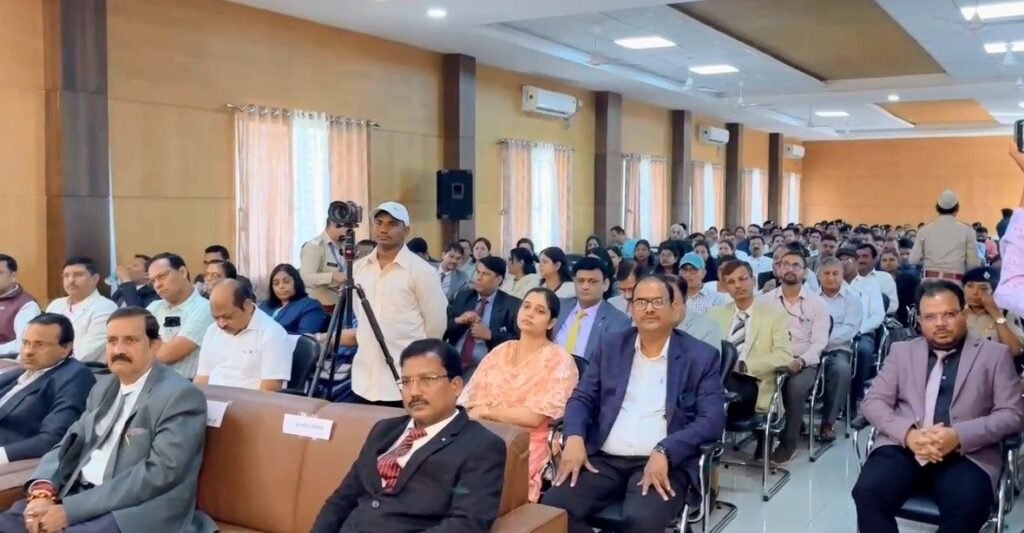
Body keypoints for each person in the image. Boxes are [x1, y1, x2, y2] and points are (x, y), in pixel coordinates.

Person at [0, 307, 215, 533]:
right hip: (78, 493)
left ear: (154, 345)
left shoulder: (180, 396)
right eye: (112, 341)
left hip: (135, 510)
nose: (118, 349)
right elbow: (68, 444)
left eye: (130, 340)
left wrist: (70, 511)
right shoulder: (103, 387)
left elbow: (159, 473)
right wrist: (42, 491)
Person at [541, 274, 726, 533]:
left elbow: (711, 420)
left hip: (663, 462)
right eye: (641, 302)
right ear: (631, 308)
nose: (648, 308)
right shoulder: (611, 346)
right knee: (552, 510)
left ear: (673, 308)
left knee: (641, 521)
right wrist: (574, 437)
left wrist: (666, 450)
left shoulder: (700, 356)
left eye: (657, 301)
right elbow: (582, 398)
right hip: (603, 459)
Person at [852, 281, 1024, 533]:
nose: (940, 323)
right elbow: (873, 401)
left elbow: (1012, 414)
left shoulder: (994, 355)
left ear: (964, 314)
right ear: (920, 321)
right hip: (904, 447)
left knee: (968, 507)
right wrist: (909, 435)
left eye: (949, 314)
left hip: (967, 453)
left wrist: (958, 435)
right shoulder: (902, 352)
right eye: (930, 317)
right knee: (868, 493)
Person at [311, 339, 507, 532]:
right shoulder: (384, 430)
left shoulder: (481, 446)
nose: (414, 392)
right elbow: (342, 499)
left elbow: (467, 524)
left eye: (427, 380)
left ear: (455, 385)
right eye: (406, 382)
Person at [459, 288, 579, 502]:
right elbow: (470, 404)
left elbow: (533, 417)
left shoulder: (559, 360)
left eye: (540, 311)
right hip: (485, 433)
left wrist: (487, 411)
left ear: (551, 323)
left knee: (485, 483)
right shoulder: (501, 350)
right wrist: (481, 413)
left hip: (527, 442)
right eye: (526, 306)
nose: (530, 313)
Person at [351, 202, 447, 405]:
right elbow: (360, 315)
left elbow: (435, 326)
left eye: (392, 224)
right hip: (363, 379)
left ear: (406, 230)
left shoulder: (422, 271)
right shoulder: (359, 268)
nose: (383, 229)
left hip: (403, 379)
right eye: (378, 223)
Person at [760, 250, 830, 464]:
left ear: (805, 272)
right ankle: (762, 438)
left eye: (796, 265)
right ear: (778, 269)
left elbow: (819, 343)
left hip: (803, 361)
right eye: (785, 264)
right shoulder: (764, 301)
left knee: (794, 388)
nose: (790, 269)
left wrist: (800, 361)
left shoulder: (817, 303)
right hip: (772, 359)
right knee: (754, 383)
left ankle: (788, 442)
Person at [708, 261, 791, 433]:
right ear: (726, 287)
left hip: (752, 382)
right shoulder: (715, 314)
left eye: (742, 279)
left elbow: (784, 355)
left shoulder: (775, 315)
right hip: (717, 380)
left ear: (753, 281)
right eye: (731, 282)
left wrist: (745, 365)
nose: (737, 285)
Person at [0, 314, 94, 465]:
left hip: (12, 457)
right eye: (26, 343)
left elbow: (52, 439)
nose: (28, 351)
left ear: (66, 348)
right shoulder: (19, 373)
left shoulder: (75, 376)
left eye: (40, 345)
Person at [195, 280, 292, 392]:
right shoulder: (212, 330)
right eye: (216, 318)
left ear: (247, 305)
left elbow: (269, 391)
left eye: (228, 317)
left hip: (251, 401)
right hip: (212, 399)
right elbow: (202, 379)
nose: (221, 324)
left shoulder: (272, 333)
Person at [443, 256, 520, 377]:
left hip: (487, 367)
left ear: (499, 279)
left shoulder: (512, 305)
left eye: (485, 274)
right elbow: (443, 327)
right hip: (454, 361)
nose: (478, 278)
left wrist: (490, 335)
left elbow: (519, 341)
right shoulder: (463, 297)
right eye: (478, 272)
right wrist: (459, 320)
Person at [816, 257, 864, 441]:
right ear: (819, 276)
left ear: (842, 275)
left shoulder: (853, 299)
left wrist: (821, 341)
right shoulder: (810, 297)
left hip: (837, 350)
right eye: (826, 273)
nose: (831, 278)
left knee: (841, 370)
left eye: (835, 273)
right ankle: (792, 421)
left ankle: (828, 422)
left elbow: (850, 329)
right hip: (810, 349)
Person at [144, 253, 213, 379]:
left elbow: (167, 355)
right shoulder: (154, 307)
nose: (157, 285)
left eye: (162, 276)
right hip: (149, 382)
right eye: (153, 281)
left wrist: (146, 346)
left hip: (185, 385)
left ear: (182, 272)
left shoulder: (205, 308)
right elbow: (131, 347)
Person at [553, 257, 630, 360]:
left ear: (605, 284)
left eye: (592, 281)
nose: (585, 287)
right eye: (580, 281)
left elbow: (612, 361)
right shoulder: (558, 306)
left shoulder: (617, 321)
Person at [45, 257, 117, 363]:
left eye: (78, 275)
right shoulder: (56, 305)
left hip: (83, 369)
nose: (71, 280)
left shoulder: (106, 307)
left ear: (95, 279)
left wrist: (47, 362)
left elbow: (87, 353)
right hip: (46, 365)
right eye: (66, 276)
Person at [909, 189, 980, 282]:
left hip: (929, 281)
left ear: (937, 208)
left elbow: (914, 260)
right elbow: (973, 264)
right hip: (955, 282)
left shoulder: (924, 230)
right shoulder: (967, 231)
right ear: (957, 208)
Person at [962, 267, 1024, 360]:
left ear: (995, 291)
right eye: (970, 286)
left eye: (983, 288)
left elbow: (1016, 350)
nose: (974, 292)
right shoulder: (957, 313)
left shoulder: (1006, 314)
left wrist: (995, 313)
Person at [258, 263, 329, 335]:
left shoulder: (310, 306)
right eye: (276, 283)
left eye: (286, 282)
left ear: (296, 282)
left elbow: (304, 339)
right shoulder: (264, 305)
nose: (281, 286)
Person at [300, 217, 349, 308]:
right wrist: (332, 276)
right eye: (346, 226)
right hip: (320, 306)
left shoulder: (344, 245)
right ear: (333, 224)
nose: (348, 230)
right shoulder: (314, 246)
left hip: (341, 303)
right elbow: (305, 278)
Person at [0, 254, 40, 357]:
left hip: (8, 361)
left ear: (13, 276)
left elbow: (24, 343)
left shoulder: (26, 305)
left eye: (0, 273)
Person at [856, 244, 898, 315]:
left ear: (875, 259)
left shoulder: (884, 278)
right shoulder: (848, 279)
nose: (860, 260)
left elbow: (892, 306)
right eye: (857, 257)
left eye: (865, 256)